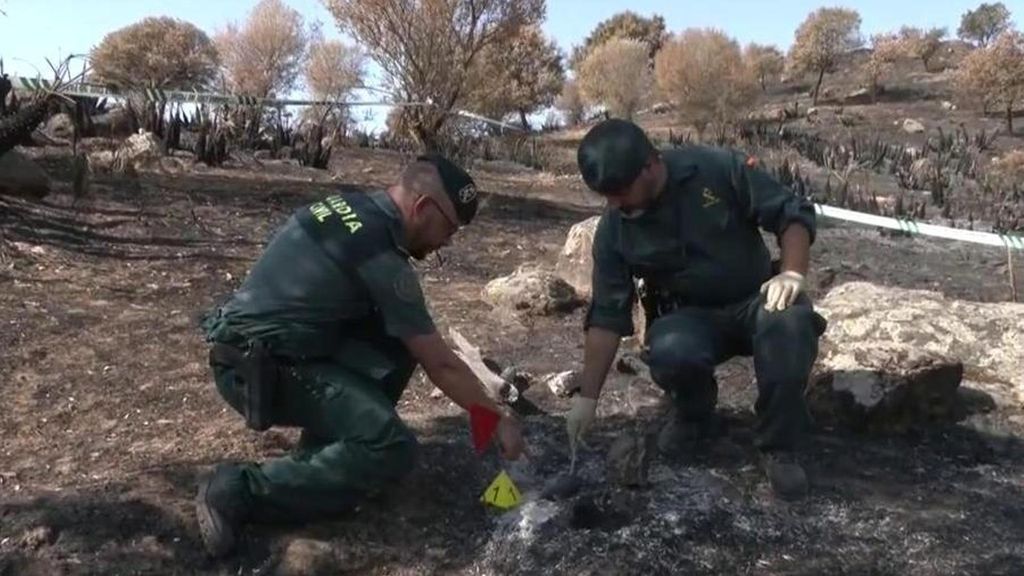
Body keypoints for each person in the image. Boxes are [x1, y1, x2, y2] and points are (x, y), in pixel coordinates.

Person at [194, 154, 526, 557]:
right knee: (391, 447)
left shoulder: (348, 206)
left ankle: (325, 459)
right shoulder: (380, 255)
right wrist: (494, 418)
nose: (447, 241)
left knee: (396, 344)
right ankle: (238, 490)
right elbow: (440, 363)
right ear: (422, 208)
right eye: (450, 228)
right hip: (259, 368)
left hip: (261, 350)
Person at [564, 118, 826, 500]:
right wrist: (587, 400)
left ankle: (779, 447)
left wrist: (791, 272)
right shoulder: (614, 230)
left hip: (758, 299)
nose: (615, 203)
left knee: (790, 324)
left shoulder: (716, 169)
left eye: (621, 191)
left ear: (651, 165)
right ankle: (695, 414)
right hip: (691, 319)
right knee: (669, 349)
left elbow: (791, 213)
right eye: (607, 196)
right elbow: (606, 317)